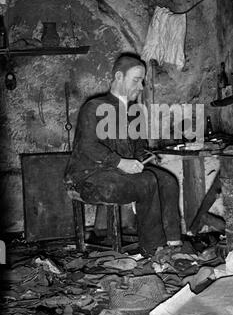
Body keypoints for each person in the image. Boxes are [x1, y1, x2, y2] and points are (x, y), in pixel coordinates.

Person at [64, 53, 183, 256]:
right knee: (147, 182)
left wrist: (145, 156)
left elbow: (137, 147)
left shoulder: (134, 111)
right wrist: (121, 163)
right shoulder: (94, 107)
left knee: (167, 181)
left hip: (117, 171)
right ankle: (154, 249)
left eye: (142, 81)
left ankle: (174, 245)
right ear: (119, 77)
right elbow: (88, 147)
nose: (141, 86)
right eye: (136, 80)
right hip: (88, 176)